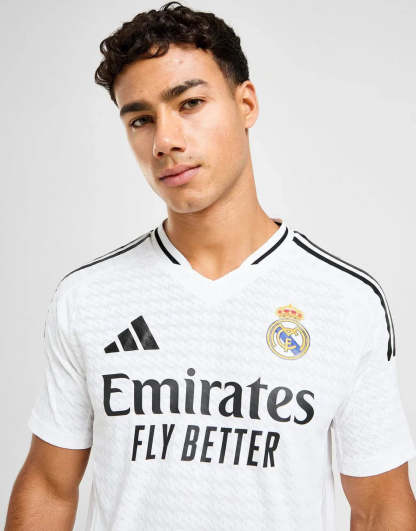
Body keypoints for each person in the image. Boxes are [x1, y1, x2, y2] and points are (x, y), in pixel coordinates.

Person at [6, 2, 416, 530]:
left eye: (190, 103)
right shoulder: (89, 297)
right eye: (141, 119)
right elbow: (49, 486)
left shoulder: (346, 301)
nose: (165, 141)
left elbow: (381, 506)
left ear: (246, 104)